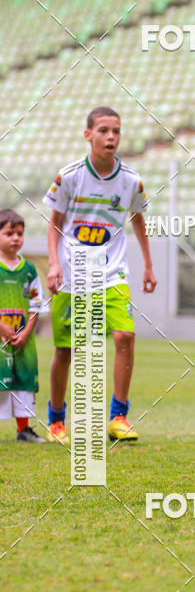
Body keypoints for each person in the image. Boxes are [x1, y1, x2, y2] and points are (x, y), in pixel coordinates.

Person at [44, 106, 156, 443]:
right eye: (104, 130)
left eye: (116, 131)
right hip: (73, 273)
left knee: (125, 336)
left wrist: (148, 264)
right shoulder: (69, 177)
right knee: (66, 350)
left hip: (113, 272)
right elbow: (55, 224)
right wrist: (54, 262)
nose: (111, 137)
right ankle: (56, 421)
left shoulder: (132, 181)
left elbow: (138, 218)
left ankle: (119, 417)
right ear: (88, 134)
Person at [0, 209, 48, 442]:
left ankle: (24, 429)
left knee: (24, 380)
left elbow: (35, 303)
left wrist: (27, 331)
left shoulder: (28, 270)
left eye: (20, 233)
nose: (16, 238)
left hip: (22, 339)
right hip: (1, 337)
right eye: (9, 233)